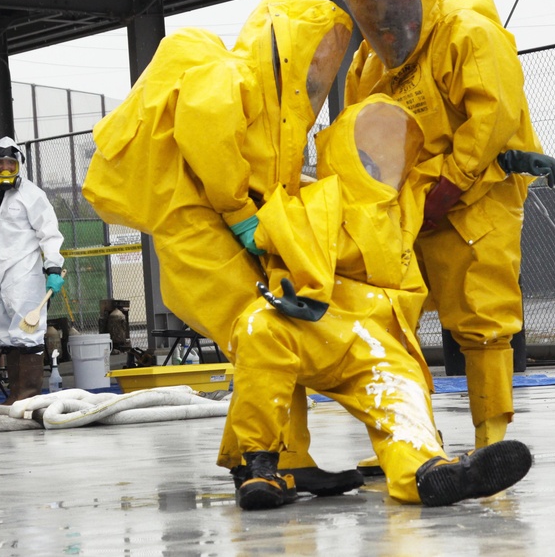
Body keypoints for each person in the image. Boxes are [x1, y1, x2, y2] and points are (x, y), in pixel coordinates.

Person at [83, 0, 363, 496]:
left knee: (273, 335)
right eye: (314, 51)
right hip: (194, 226)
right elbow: (206, 135)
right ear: (286, 45)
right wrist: (240, 214)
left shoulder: (281, 113)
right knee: (264, 330)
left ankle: (278, 458)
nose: (320, 67)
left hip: (216, 228)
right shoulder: (234, 77)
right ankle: (260, 464)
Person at [228, 95, 533, 510]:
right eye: (365, 154)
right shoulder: (314, 202)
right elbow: (270, 231)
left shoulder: (405, 201)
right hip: (319, 327)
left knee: (402, 394)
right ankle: (260, 465)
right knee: (258, 326)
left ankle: (427, 474)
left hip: (380, 343)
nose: (379, 164)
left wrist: (508, 161)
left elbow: (450, 176)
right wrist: (259, 245)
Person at [334, 0, 553, 450]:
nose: (383, 16)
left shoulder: (465, 33)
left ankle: (491, 438)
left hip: (478, 193)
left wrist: (453, 182)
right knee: (388, 314)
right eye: (372, 3)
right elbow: (361, 131)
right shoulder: (369, 61)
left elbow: (492, 116)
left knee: (483, 313)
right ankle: (407, 441)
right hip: (410, 202)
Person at [0, 136, 64, 405]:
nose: (6, 169)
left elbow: (49, 234)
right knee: (6, 336)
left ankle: (28, 396)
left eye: (11, 163)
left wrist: (53, 266)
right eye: (0, 164)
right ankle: (16, 396)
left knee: (27, 335)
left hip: (24, 278)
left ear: (20, 164)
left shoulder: (32, 196)